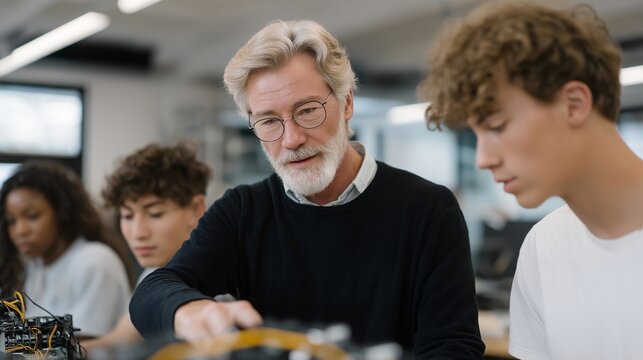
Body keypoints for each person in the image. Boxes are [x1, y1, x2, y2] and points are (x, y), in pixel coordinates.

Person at [130, 19, 484, 358]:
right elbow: (152, 291)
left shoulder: (429, 210)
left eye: (308, 111)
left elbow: (453, 347)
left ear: (346, 103)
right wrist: (188, 310)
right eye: (269, 121)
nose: (292, 139)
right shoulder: (242, 212)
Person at [419, 2, 643, 359]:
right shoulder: (544, 247)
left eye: (496, 126)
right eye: (476, 134)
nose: (483, 159)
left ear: (573, 103)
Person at [82, 142, 211, 352]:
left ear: (196, 208)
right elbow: (119, 340)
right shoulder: (154, 272)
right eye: (127, 216)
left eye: (155, 214)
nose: (138, 232)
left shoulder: (216, 281)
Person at [0, 161, 131, 339]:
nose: (20, 231)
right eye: (11, 221)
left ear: (62, 212)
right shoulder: (34, 265)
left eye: (32, 216)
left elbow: (76, 344)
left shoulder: (95, 261)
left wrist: (7, 339)